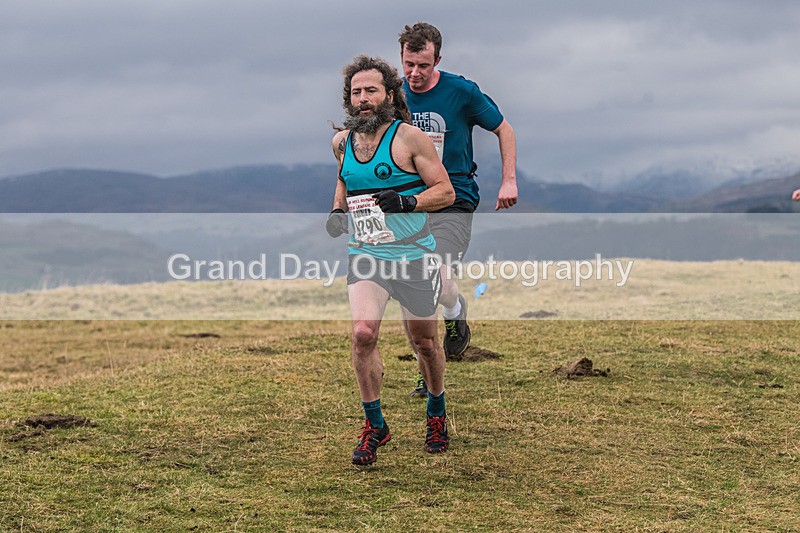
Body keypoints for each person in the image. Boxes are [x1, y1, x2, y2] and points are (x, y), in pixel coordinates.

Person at [327, 55, 456, 465]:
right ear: (348, 99)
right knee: (363, 334)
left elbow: (446, 192)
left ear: (388, 94)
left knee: (425, 341)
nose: (363, 99)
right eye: (356, 92)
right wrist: (336, 211)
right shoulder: (342, 142)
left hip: (414, 255)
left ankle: (436, 411)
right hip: (367, 255)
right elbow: (345, 180)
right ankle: (375, 426)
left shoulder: (410, 139)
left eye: (371, 91)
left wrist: (409, 200)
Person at [398, 22, 518, 397]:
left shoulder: (461, 92)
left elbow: (504, 129)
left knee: (431, 278)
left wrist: (509, 180)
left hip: (454, 197)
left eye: (423, 65)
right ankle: (454, 314)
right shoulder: (393, 95)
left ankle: (428, 369)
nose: (414, 74)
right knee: (421, 287)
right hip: (409, 202)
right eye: (408, 64)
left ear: (438, 59)